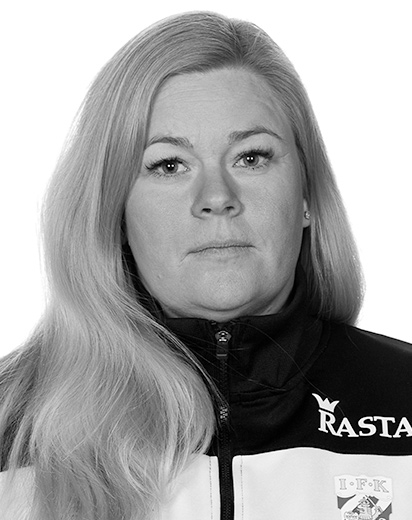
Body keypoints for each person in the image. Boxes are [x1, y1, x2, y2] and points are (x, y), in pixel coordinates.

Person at [0, 10, 411, 520]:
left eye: (251, 157)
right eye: (169, 165)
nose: (217, 197)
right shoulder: (11, 425)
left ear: (307, 195)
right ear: (113, 210)